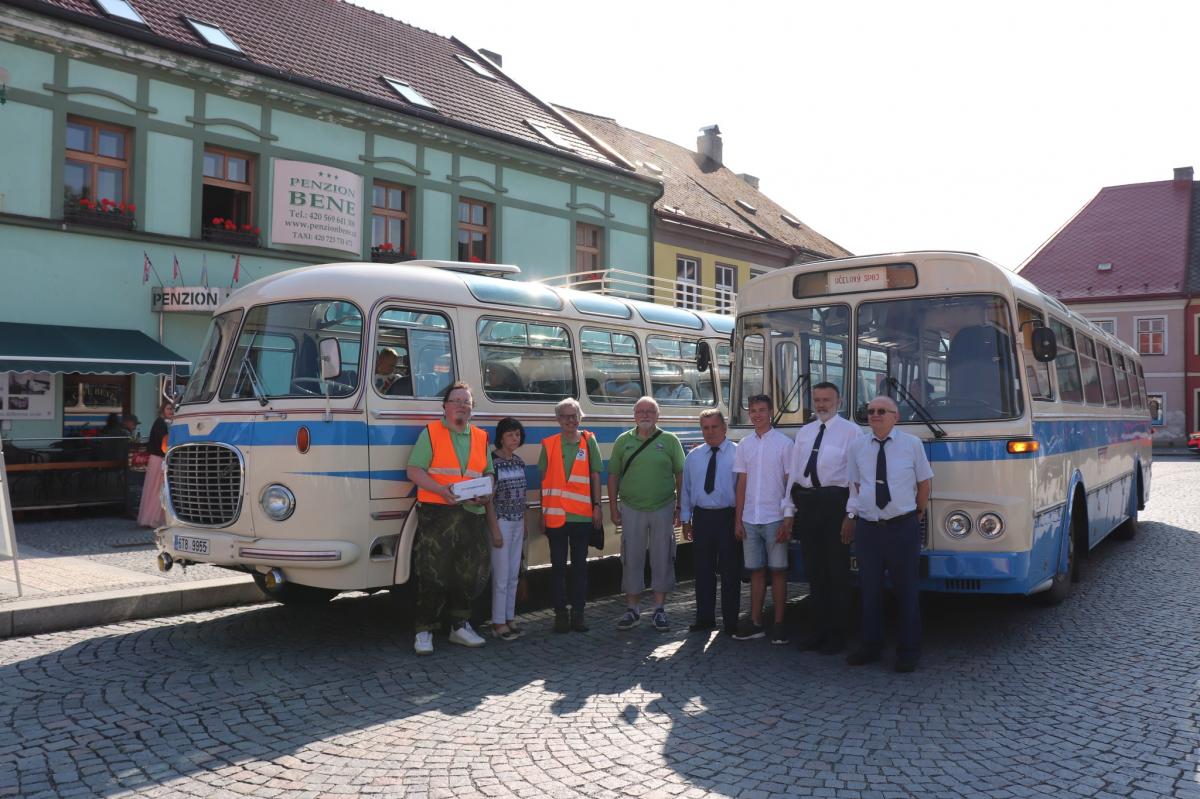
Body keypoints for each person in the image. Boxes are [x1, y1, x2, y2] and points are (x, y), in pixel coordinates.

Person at [405, 381, 497, 656]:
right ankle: (424, 630)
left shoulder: (480, 437)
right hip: (438, 512)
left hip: (471, 512)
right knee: (433, 572)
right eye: (456, 400)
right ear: (445, 406)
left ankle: (460, 626)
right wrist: (440, 490)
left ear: (472, 408)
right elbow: (414, 470)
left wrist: (486, 492)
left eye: (466, 401)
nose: (461, 405)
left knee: (466, 574)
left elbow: (488, 473)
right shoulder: (431, 433)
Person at [843, 395, 933, 673]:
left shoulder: (912, 444)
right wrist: (856, 516)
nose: (875, 415)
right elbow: (856, 484)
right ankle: (871, 646)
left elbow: (924, 483)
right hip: (869, 529)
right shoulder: (857, 446)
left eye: (882, 411)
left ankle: (908, 651)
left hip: (902, 528)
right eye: (870, 411)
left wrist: (915, 514)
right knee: (869, 592)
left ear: (896, 416)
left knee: (906, 591)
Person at [784, 382, 860, 654]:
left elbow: (855, 479)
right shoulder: (804, 432)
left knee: (837, 573)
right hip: (808, 503)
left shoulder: (852, 432)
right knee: (814, 572)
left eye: (827, 399)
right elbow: (794, 473)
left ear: (838, 401)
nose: (821, 404)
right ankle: (818, 631)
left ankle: (838, 636)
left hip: (835, 504)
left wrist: (851, 514)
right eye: (817, 399)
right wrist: (788, 510)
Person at [608, 396, 685, 632]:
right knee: (631, 557)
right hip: (631, 507)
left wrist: (680, 506)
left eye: (650, 411)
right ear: (634, 416)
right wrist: (612, 507)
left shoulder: (670, 441)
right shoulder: (623, 441)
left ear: (657, 416)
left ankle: (659, 610)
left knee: (662, 557)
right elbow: (613, 476)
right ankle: (632, 609)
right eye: (640, 411)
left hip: (663, 507)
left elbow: (681, 475)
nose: (645, 415)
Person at [732, 394, 793, 645]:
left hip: (775, 517)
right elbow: (741, 484)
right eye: (753, 410)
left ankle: (779, 623)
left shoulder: (784, 444)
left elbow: (791, 484)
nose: (756, 414)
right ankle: (756, 622)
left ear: (771, 413)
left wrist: (788, 517)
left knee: (778, 572)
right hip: (750, 518)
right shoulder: (745, 444)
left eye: (761, 410)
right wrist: (738, 520)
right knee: (756, 572)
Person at [539, 397, 603, 633]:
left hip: (583, 516)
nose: (570, 420)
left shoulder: (589, 441)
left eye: (574, 415)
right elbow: (544, 480)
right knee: (557, 567)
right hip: (556, 516)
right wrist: (541, 512)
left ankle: (578, 614)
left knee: (579, 567)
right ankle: (560, 615)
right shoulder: (549, 444)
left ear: (580, 418)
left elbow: (596, 475)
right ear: (558, 419)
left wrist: (597, 505)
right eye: (565, 416)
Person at [680, 408, 741, 635]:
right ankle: (705, 618)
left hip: (728, 516)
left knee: (730, 571)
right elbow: (685, 489)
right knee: (703, 570)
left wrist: (739, 521)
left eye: (714, 427)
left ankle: (731, 621)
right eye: (705, 428)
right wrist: (686, 519)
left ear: (724, 428)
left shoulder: (738, 453)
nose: (710, 432)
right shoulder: (693, 456)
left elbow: (743, 489)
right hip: (703, 517)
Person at [489, 417, 527, 641]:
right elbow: (489, 500)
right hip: (501, 522)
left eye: (518, 434)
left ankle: (510, 617)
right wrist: (494, 530)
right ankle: (497, 622)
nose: (515, 438)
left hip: (517, 522)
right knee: (501, 576)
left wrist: (525, 526)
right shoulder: (493, 463)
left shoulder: (519, 462)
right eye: (511, 434)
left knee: (513, 574)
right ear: (501, 437)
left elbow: (522, 497)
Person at [137, 400, 174, 528]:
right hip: (159, 459)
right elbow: (164, 445)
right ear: (163, 410)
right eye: (169, 409)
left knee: (154, 489)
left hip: (156, 458)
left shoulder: (161, 423)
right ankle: (154, 519)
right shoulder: (162, 424)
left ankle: (151, 518)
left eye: (172, 409)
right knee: (158, 490)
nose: (171, 411)